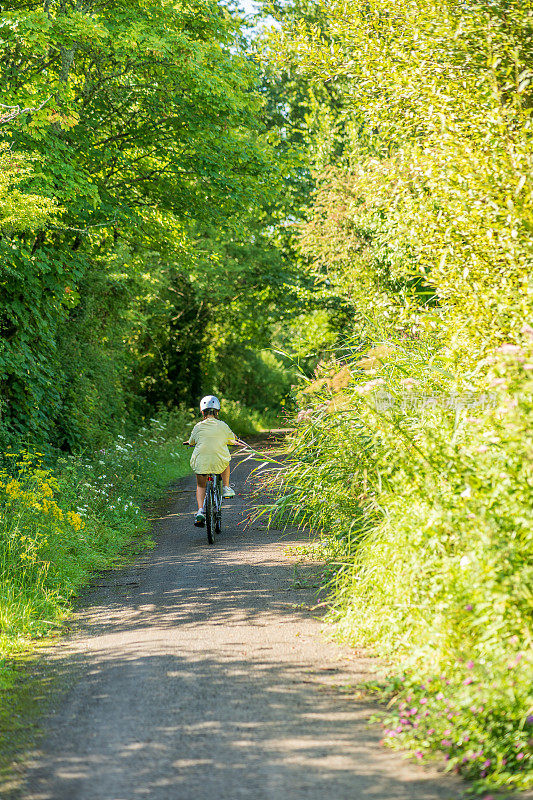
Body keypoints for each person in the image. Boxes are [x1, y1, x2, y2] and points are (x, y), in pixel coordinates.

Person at [184, 395, 236, 527]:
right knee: (225, 461)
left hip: (202, 462)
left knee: (201, 485)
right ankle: (226, 487)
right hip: (219, 462)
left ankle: (200, 511)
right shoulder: (223, 425)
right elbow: (232, 439)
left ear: (202, 412)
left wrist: (190, 443)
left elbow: (192, 442)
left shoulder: (198, 426)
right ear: (217, 411)